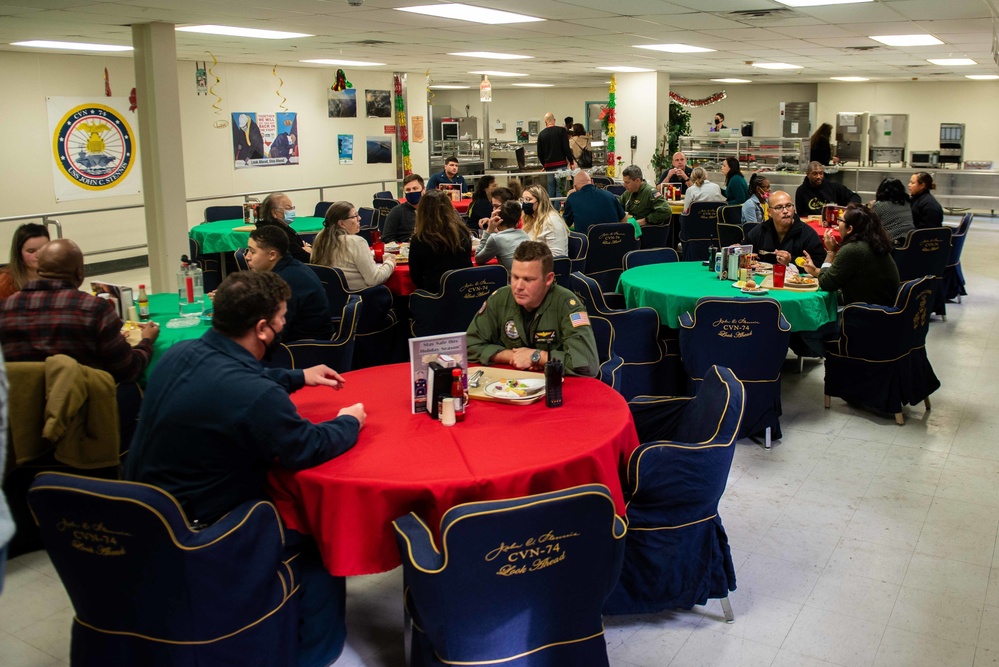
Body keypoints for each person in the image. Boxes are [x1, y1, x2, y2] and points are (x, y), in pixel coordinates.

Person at [123, 270, 365, 667]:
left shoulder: (181, 352)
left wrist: (297, 377)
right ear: (263, 328)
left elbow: (234, 377)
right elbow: (306, 446)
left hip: (143, 518)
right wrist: (349, 421)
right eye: (283, 317)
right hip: (202, 535)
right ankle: (318, 655)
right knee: (322, 537)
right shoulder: (255, 396)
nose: (286, 323)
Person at [0, 238, 159, 448]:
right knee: (131, 389)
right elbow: (127, 369)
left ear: (40, 270)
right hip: (85, 413)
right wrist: (146, 342)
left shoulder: (6, 308)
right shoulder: (93, 309)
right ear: (79, 274)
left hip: (23, 416)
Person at [467, 241, 598, 377]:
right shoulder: (500, 298)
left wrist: (538, 357)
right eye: (515, 277)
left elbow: (587, 365)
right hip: (513, 384)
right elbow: (469, 346)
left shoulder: (567, 304)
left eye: (528, 280)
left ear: (548, 279)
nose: (518, 286)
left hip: (556, 386)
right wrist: (510, 356)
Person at [803, 203, 900, 307]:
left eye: (840, 220)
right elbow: (840, 275)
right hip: (885, 309)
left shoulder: (853, 249)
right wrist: (815, 271)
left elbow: (826, 284)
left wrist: (831, 252)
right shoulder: (874, 243)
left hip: (868, 314)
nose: (837, 224)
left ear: (850, 229)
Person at [246, 226, 333, 342]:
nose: (247, 257)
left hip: (301, 350)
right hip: (301, 341)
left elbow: (273, 332)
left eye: (252, 251)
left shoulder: (285, 281)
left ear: (272, 255)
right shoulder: (289, 267)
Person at [311, 201, 395, 291]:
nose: (359, 218)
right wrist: (389, 263)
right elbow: (374, 279)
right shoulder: (356, 241)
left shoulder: (320, 239)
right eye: (355, 216)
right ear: (342, 224)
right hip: (359, 296)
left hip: (332, 297)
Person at [408, 189, 473, 293]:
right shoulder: (463, 233)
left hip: (436, 296)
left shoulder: (420, 239)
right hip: (466, 292)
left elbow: (416, 277)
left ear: (422, 212)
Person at [745, 191, 825, 268]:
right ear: (769, 212)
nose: (785, 211)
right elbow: (744, 250)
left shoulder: (808, 234)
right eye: (779, 207)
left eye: (789, 206)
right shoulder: (761, 230)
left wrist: (791, 260)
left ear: (794, 209)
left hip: (797, 279)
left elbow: (820, 265)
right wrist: (743, 256)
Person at [562, 171, 625, 235]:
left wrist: (569, 197)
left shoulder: (572, 198)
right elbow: (624, 219)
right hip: (615, 241)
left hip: (589, 243)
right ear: (592, 182)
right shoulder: (610, 195)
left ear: (575, 187)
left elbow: (564, 224)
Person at [257, 192, 311, 263]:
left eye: (292, 208)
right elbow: (302, 257)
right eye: (288, 208)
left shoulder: (284, 227)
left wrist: (305, 249)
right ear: (274, 213)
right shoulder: (276, 233)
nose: (292, 211)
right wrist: (308, 250)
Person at [476, 201, 530, 271]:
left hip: (511, 280)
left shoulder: (496, 239)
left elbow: (478, 259)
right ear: (518, 222)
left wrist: (489, 229)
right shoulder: (524, 234)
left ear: (497, 219)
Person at [0, 223, 49, 300]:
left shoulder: (61, 275)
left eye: (44, 249)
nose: (39, 255)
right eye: (31, 251)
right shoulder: (5, 282)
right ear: (19, 253)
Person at [794, 162, 861, 216]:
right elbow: (801, 214)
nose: (818, 176)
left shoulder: (834, 187)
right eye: (815, 174)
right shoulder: (801, 191)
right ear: (808, 174)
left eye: (821, 173)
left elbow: (855, 197)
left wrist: (849, 208)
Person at [521, 185, 570, 257]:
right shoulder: (531, 218)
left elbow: (558, 256)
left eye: (528, 199)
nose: (524, 203)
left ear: (540, 201)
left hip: (546, 266)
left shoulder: (552, 221)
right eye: (523, 200)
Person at [536, 112, 575, 198]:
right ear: (554, 120)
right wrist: (571, 162)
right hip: (561, 165)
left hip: (549, 167)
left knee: (551, 189)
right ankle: (557, 210)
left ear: (545, 122)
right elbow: (566, 148)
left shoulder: (541, 134)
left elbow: (539, 153)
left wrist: (544, 165)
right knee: (560, 189)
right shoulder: (561, 131)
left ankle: (551, 209)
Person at [382, 173, 424, 243]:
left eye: (415, 188)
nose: (412, 192)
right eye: (408, 190)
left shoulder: (431, 210)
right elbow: (387, 238)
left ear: (423, 189)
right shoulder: (397, 211)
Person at [872, 177, 915, 244]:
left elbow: (872, 224)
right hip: (909, 241)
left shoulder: (879, 205)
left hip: (890, 242)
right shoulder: (907, 203)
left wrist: (871, 207)